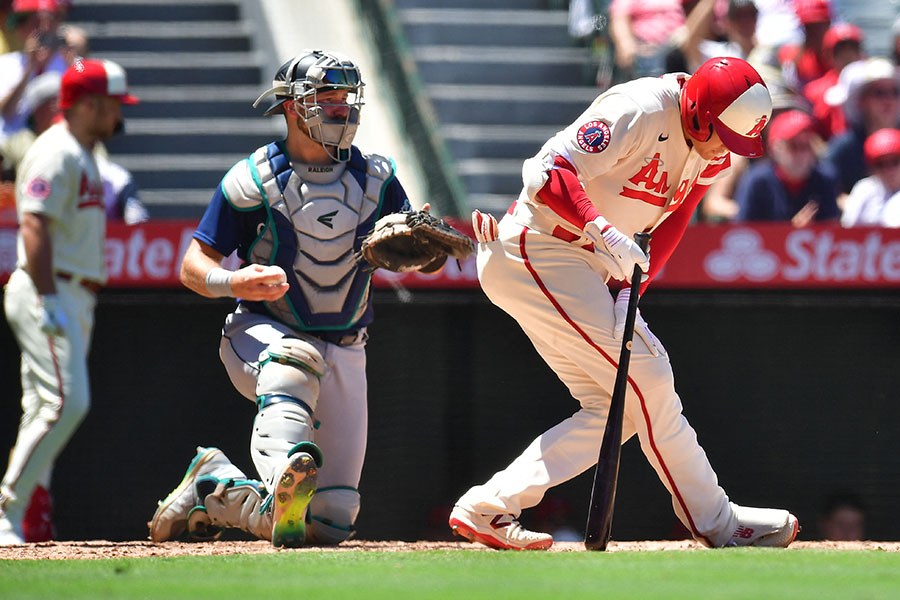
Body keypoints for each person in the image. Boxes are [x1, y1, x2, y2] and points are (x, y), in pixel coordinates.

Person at [448, 56, 799, 550]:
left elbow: (680, 214)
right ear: (699, 111)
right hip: (540, 246)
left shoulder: (713, 147)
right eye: (724, 134)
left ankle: (489, 506)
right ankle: (717, 520)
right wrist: (602, 228)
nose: (728, 149)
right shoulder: (638, 108)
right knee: (651, 376)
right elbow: (548, 173)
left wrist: (636, 285)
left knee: (621, 408)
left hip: (588, 265)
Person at [147, 50, 430, 548]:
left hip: (346, 345)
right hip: (261, 331)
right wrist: (233, 282)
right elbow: (193, 266)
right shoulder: (252, 178)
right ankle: (281, 476)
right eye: (328, 97)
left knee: (332, 519)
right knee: (293, 363)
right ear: (295, 107)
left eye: (347, 97)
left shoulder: (379, 179)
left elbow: (418, 257)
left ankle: (215, 490)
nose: (342, 108)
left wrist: (424, 248)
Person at [0, 57, 138, 545]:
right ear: (90, 105)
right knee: (66, 403)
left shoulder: (81, 152)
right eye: (114, 105)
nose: (120, 116)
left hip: (70, 289)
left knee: (42, 406)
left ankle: (29, 517)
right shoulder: (57, 150)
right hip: (49, 288)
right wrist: (49, 299)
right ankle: (7, 509)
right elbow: (33, 223)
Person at [734, 109, 840, 225]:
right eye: (794, 145)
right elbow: (742, 233)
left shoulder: (825, 179)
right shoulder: (757, 181)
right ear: (775, 148)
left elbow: (831, 229)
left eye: (806, 145)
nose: (802, 153)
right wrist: (789, 232)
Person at [824, 57, 900, 199]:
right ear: (861, 101)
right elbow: (827, 192)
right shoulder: (843, 148)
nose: (888, 100)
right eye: (880, 93)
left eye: (895, 92)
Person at [0, 0, 67, 142]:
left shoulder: (69, 58)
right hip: (15, 142)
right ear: (21, 29)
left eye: (49, 21)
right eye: (35, 23)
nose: (43, 28)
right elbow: (6, 111)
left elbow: (83, 71)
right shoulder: (6, 63)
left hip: (59, 139)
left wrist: (75, 60)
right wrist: (29, 67)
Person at [841, 128, 900, 227]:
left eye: (895, 161)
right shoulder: (864, 189)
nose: (889, 170)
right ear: (872, 168)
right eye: (881, 164)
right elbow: (847, 228)